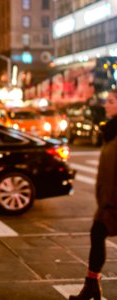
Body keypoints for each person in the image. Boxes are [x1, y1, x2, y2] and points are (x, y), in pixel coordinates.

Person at [69, 91, 117, 300]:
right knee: (97, 234)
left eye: (112, 102)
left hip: (114, 202)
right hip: (108, 201)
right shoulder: (111, 132)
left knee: (97, 233)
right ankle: (91, 284)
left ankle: (91, 286)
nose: (106, 105)